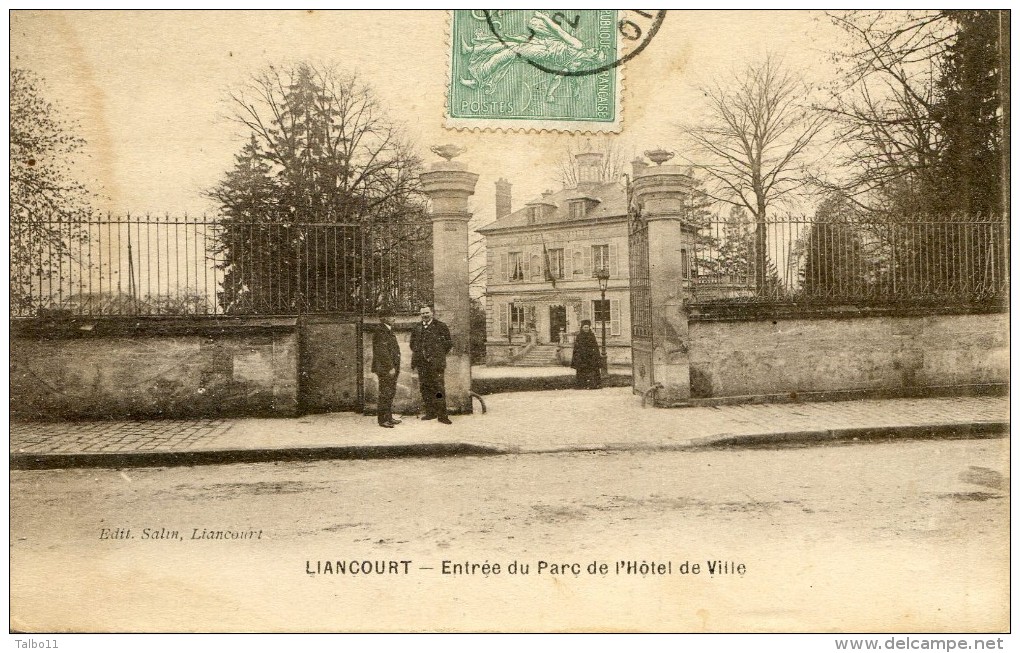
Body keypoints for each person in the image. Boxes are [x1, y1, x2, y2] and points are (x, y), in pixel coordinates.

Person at [409, 305, 454, 424]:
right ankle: (430, 413)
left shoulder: (441, 326)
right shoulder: (417, 328)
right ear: (420, 315)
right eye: (422, 313)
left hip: (436, 364)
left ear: (432, 313)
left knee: (439, 389)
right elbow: (412, 344)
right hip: (422, 365)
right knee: (425, 388)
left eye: (427, 312)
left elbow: (448, 344)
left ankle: (442, 416)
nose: (425, 315)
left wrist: (437, 355)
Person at [372, 316, 402, 428]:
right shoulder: (380, 331)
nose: (394, 318)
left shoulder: (387, 329)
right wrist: (390, 367)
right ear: (384, 318)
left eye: (394, 316)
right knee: (385, 393)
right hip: (386, 369)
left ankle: (388, 417)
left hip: (391, 368)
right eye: (391, 316)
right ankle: (382, 420)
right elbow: (382, 351)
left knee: (390, 392)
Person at [570, 319, 602, 390]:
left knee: (593, 370)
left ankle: (593, 385)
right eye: (585, 327)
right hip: (582, 357)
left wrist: (596, 355)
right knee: (581, 370)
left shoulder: (592, 335)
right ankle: (581, 385)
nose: (586, 329)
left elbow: (595, 346)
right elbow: (576, 347)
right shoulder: (579, 336)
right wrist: (577, 356)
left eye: (587, 327)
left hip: (591, 356)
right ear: (582, 328)